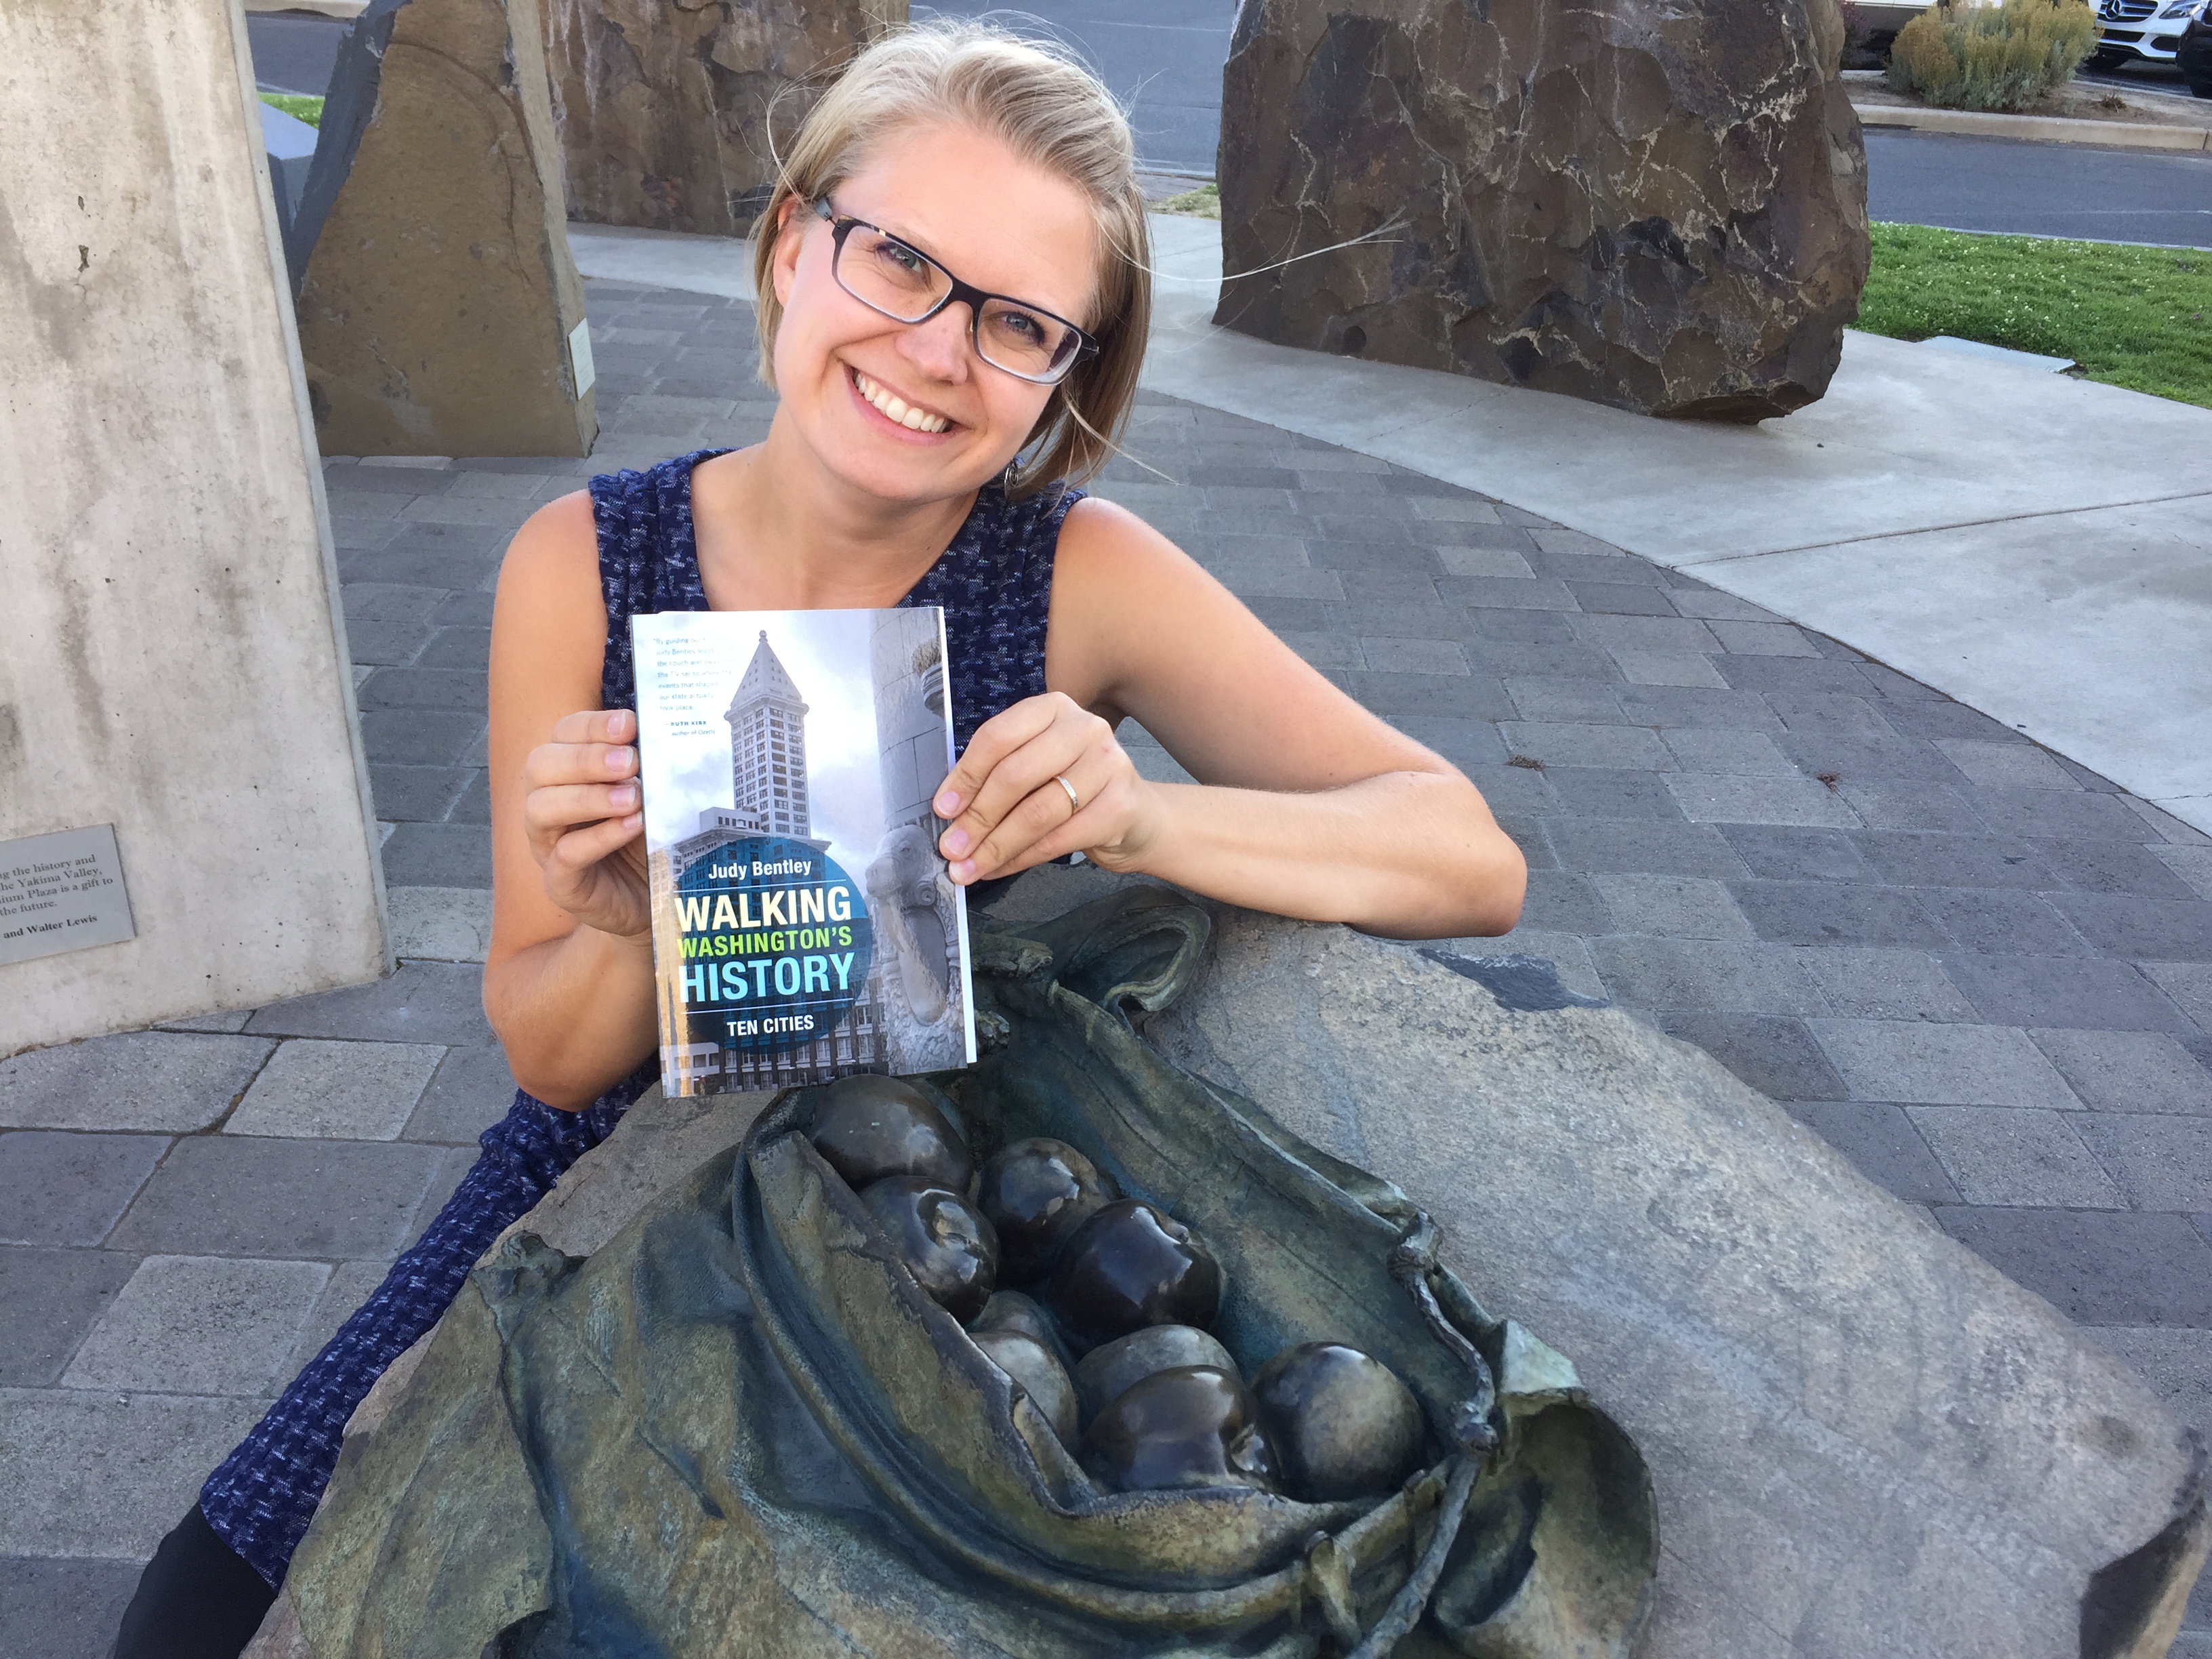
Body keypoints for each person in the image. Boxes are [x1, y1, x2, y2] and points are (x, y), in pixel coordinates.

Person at [114, 20, 1524, 1654]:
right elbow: (548, 1056)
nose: (938, 350)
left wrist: (1147, 814)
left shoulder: (1077, 578)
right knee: (214, 1600)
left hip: (921, 1202)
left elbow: (1465, 855)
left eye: (1018, 322)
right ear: (793, 245)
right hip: (613, 1180)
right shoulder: (585, 562)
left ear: (1065, 377)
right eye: (900, 260)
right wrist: (637, 920)